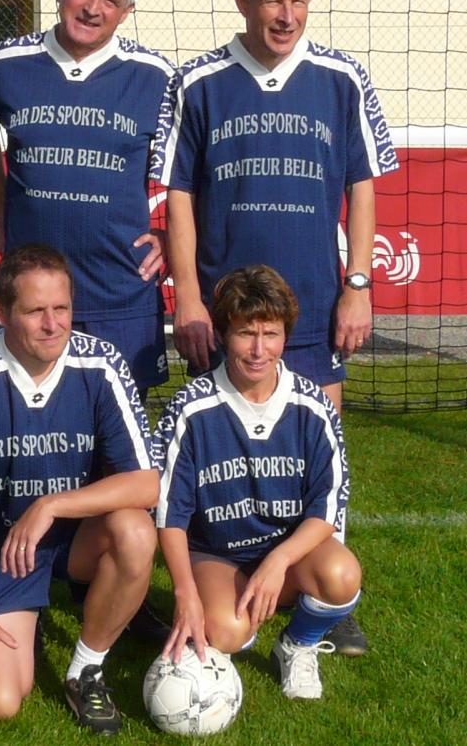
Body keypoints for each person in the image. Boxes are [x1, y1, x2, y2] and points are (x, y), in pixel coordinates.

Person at [151, 0, 396, 654]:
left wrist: (357, 285)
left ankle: (322, 597)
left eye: (297, 1)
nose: (285, 16)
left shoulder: (341, 78)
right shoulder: (197, 82)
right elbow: (179, 194)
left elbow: (362, 186)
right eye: (270, 0)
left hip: (317, 305)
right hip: (225, 315)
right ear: (242, 2)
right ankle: (210, 582)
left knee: (320, 450)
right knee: (221, 453)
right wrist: (188, 297)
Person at [0, 244, 157, 733]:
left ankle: (86, 669)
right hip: (0, 555)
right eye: (35, 310)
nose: (52, 324)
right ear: (0, 313)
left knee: (136, 531)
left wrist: (52, 505)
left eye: (61, 308)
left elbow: (146, 483)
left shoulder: (100, 364)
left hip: (72, 541)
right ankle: (13, 614)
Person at [155, 265, 362, 700]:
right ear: (223, 334)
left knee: (342, 574)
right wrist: (184, 592)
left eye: (270, 334)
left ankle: (298, 645)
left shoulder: (312, 406)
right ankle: (224, 617)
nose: (257, 349)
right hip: (216, 554)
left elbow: (326, 510)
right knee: (226, 632)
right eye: (246, 333)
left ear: (286, 336)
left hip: (286, 558)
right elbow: (168, 515)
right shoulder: (191, 409)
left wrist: (278, 561)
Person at [0, 0, 173, 400]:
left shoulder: (156, 77)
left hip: (120, 290)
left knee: (120, 441)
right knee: (32, 428)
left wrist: (170, 239)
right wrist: (0, 199)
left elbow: (194, 174)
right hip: (32, 296)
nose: (92, 8)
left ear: (127, 12)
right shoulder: (6, 64)